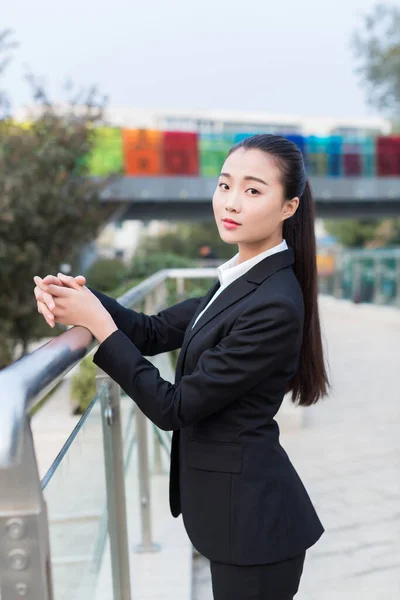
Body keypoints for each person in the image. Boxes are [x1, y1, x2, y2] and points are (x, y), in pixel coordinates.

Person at [34, 134, 329, 599]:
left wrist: (99, 327)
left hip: (254, 528)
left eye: (253, 191)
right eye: (225, 185)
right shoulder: (243, 277)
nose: (231, 203)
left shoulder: (273, 302)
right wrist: (79, 296)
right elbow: (152, 331)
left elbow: (174, 408)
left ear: (289, 207)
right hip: (236, 518)